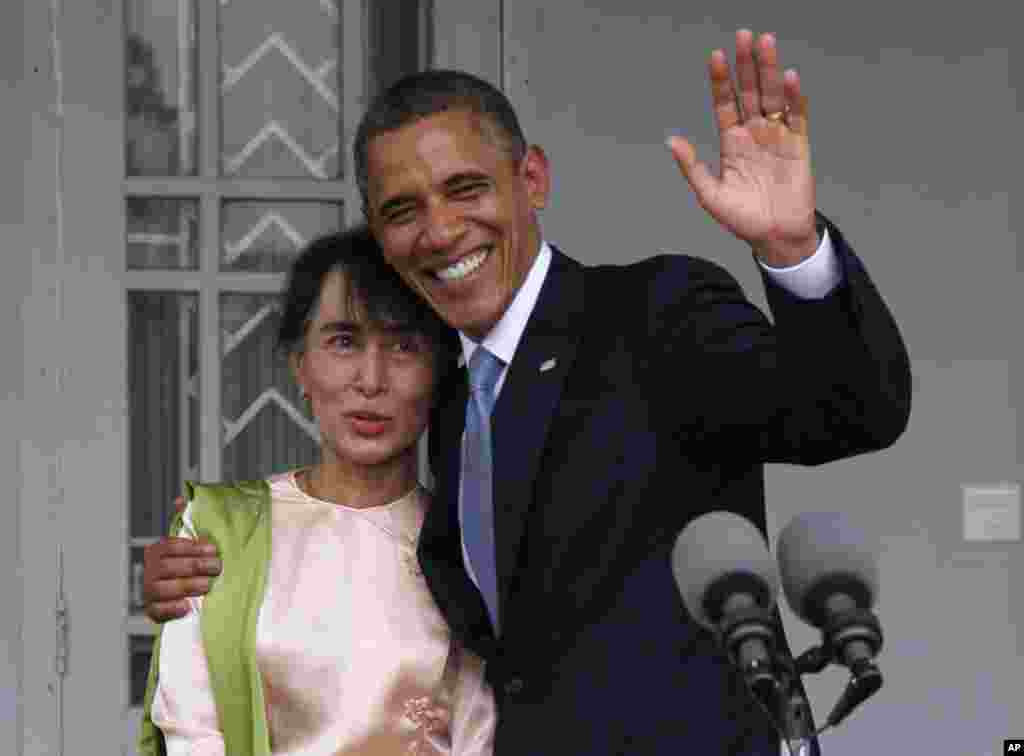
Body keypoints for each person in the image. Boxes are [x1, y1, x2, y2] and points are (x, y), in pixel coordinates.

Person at [143, 31, 912, 755]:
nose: (441, 231)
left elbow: (850, 408)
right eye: (402, 211)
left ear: (533, 179)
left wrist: (791, 249)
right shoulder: (444, 393)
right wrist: (211, 587)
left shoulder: (654, 314)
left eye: (465, 188)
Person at [137, 226, 496, 755]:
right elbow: (191, 728)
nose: (371, 380)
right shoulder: (220, 531)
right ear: (299, 364)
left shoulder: (471, 545)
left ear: (441, 369)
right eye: (344, 341)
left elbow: (480, 735)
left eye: (403, 344)